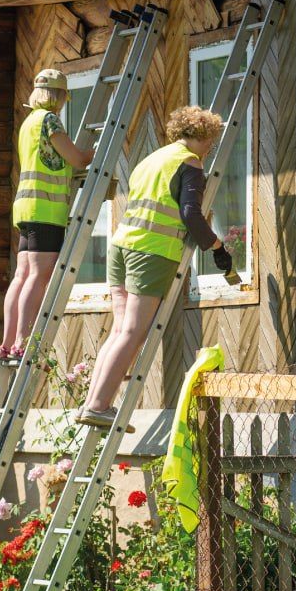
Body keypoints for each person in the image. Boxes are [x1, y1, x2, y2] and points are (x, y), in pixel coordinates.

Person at [76, 106, 233, 427]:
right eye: (210, 141)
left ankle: (91, 403)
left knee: (120, 330)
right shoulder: (189, 163)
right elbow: (191, 214)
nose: (210, 148)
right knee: (133, 332)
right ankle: (99, 405)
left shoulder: (152, 160)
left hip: (121, 247)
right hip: (151, 252)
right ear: (201, 135)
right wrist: (217, 247)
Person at [0, 68, 96, 361]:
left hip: (26, 207)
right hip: (47, 209)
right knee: (38, 276)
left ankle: (7, 343)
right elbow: (76, 158)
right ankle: (21, 341)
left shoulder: (28, 122)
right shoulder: (49, 120)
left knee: (22, 275)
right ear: (59, 96)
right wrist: (97, 151)